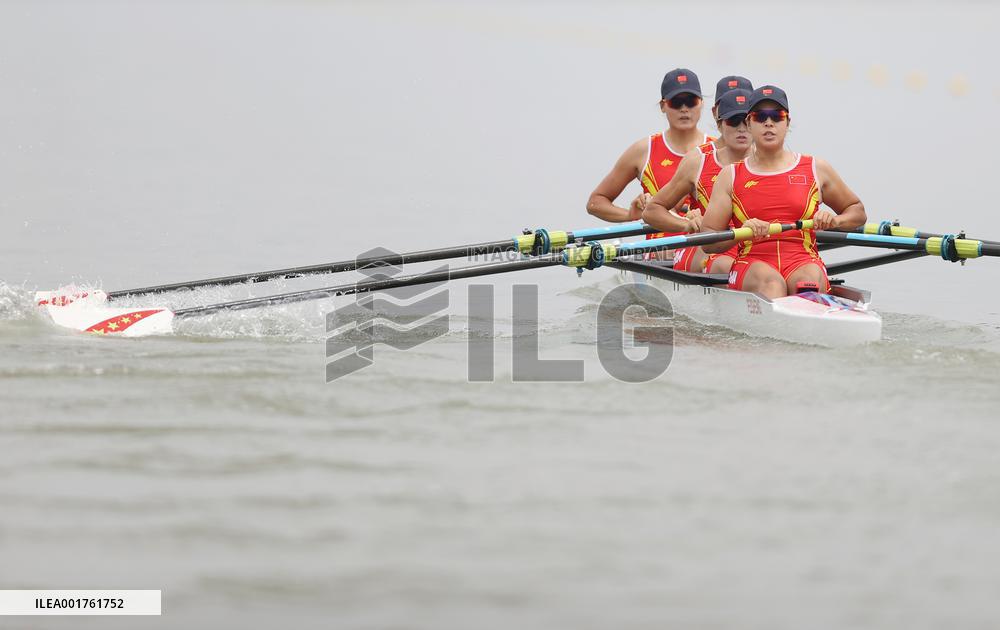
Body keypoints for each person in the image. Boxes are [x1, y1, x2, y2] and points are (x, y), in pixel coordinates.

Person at [700, 85, 867, 298]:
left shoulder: (816, 168)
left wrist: (835, 220)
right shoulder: (730, 175)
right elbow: (707, 241)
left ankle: (805, 316)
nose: (769, 123)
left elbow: (857, 212)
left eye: (777, 116)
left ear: (787, 123)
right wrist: (742, 231)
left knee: (807, 283)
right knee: (772, 284)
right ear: (749, 124)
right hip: (752, 262)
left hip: (803, 259)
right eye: (760, 117)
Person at [641, 85, 754, 273]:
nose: (741, 128)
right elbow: (651, 212)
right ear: (719, 125)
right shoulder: (698, 161)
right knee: (728, 266)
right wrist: (687, 223)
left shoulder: (774, 163)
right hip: (709, 247)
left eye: (747, 121)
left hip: (753, 249)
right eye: (733, 121)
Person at [586, 68, 713, 226]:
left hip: (705, 247)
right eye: (676, 102)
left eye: (691, 101)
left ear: (701, 103)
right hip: (660, 247)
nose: (684, 108)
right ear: (663, 106)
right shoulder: (643, 150)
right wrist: (631, 216)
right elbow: (595, 203)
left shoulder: (718, 150)